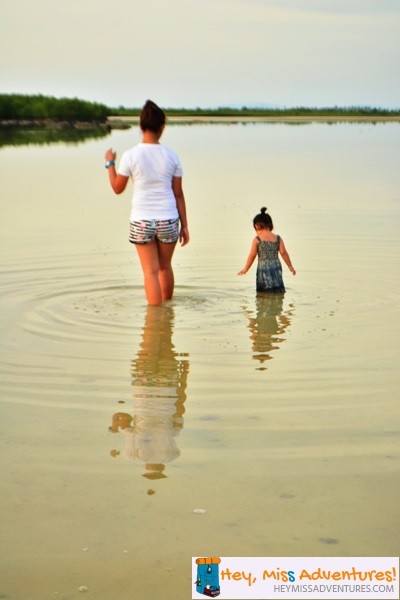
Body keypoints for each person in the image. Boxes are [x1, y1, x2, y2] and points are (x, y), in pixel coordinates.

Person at [104, 100, 189, 305]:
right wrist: (184, 226)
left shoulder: (130, 155)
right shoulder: (171, 156)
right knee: (165, 267)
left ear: (141, 127)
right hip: (168, 219)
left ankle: (155, 318)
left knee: (150, 272)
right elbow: (178, 193)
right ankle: (167, 314)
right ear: (162, 127)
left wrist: (109, 163)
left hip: (141, 220)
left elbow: (117, 188)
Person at [238, 207, 296, 292]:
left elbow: (252, 255)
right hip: (276, 267)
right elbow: (283, 252)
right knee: (277, 288)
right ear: (270, 225)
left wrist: (246, 268)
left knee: (264, 291)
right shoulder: (278, 238)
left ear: (256, 226)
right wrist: (290, 266)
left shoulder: (257, 240)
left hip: (263, 269)